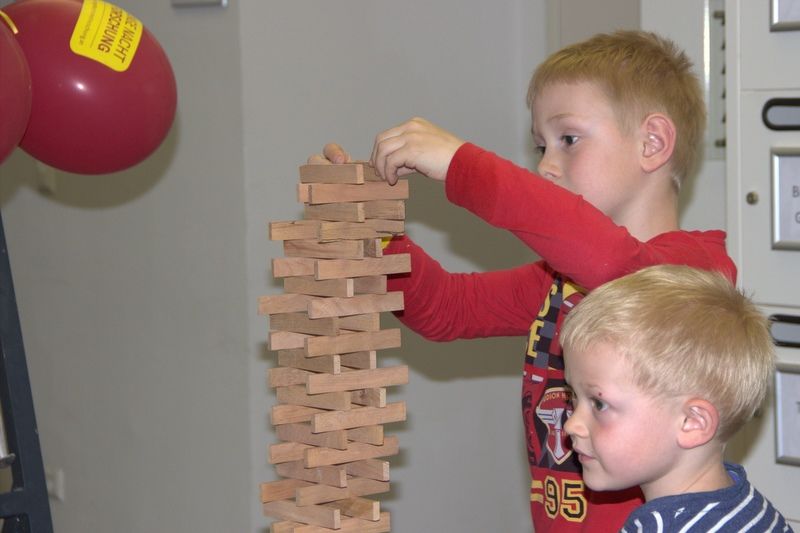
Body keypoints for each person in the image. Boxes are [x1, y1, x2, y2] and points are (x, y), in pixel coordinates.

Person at [311, 30, 737, 531]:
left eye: (568, 140)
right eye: (540, 146)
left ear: (653, 143)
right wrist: (371, 231)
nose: (545, 166)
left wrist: (463, 165)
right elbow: (448, 308)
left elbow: (616, 268)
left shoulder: (694, 274)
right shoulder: (561, 282)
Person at [560, 265, 792, 532]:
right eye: (572, 395)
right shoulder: (750, 508)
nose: (571, 425)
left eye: (599, 403)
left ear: (691, 422)